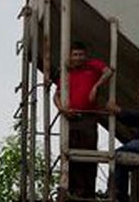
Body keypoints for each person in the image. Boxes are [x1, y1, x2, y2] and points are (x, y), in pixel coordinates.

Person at [54, 41, 114, 199]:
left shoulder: (92, 65)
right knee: (71, 155)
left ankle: (88, 191)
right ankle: (74, 190)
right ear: (70, 56)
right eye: (75, 55)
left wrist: (96, 86)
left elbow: (108, 71)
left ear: (85, 55)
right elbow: (57, 95)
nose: (79, 58)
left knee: (88, 154)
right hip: (71, 118)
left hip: (89, 117)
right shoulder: (66, 73)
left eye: (81, 54)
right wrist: (62, 110)